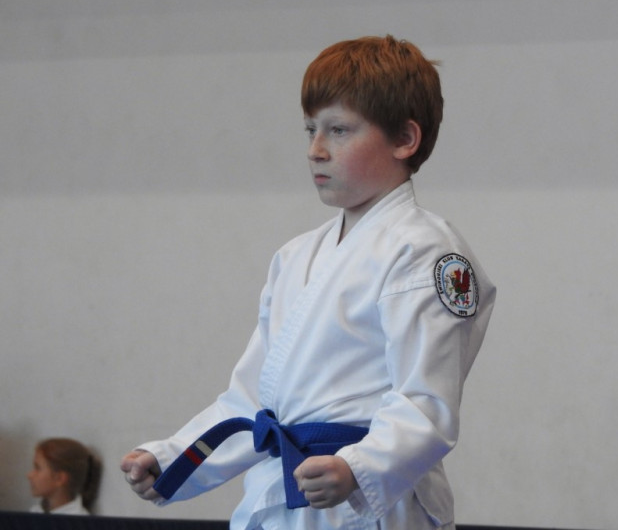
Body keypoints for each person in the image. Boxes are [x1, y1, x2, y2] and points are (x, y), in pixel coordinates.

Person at [120, 35, 496, 530]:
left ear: (405, 139)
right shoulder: (295, 256)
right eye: (310, 130)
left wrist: (358, 468)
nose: (316, 150)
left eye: (338, 130)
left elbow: (425, 402)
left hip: (368, 503)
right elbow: (255, 402)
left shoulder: (423, 251)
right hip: (285, 491)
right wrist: (174, 459)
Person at [28, 437, 102, 515]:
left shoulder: (77, 520)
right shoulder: (37, 510)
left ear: (60, 478)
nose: (29, 475)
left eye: (38, 468)